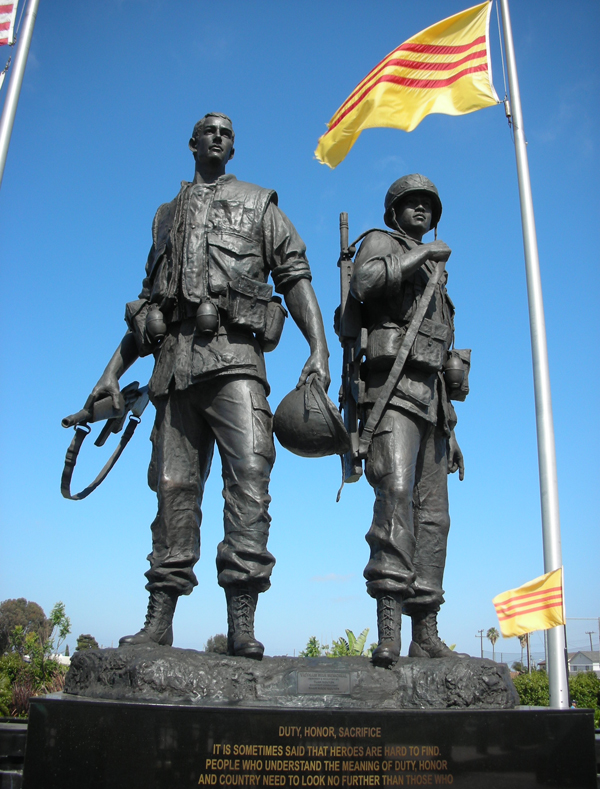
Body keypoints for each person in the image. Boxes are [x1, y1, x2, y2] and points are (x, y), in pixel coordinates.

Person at [83, 113, 330, 660]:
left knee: (249, 482)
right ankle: (160, 618)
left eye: (228, 132)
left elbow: (294, 277)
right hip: (173, 370)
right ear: (192, 143)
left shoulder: (260, 203)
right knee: (173, 491)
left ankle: (242, 621)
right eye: (208, 131)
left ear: (233, 147)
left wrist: (318, 346)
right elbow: (151, 304)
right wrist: (111, 373)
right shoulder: (165, 216)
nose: (218, 137)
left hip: (236, 363)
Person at [350, 174, 466, 668]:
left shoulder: (439, 279)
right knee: (395, 499)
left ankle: (426, 629)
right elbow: (365, 282)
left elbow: (439, 356)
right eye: (411, 203)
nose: (421, 210)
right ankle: (389, 632)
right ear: (393, 211)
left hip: (433, 405)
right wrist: (423, 255)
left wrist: (452, 431)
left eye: (427, 205)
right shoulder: (383, 243)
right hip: (392, 394)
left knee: (434, 517)